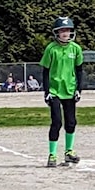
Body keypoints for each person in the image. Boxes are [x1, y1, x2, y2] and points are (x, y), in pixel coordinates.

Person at [40, 17, 84, 167]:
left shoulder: (75, 48)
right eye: (62, 30)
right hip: (55, 91)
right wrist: (46, 91)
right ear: (57, 33)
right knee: (57, 122)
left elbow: (79, 70)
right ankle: (52, 155)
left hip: (70, 90)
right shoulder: (51, 49)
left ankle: (68, 152)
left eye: (68, 30)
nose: (66, 33)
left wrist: (79, 89)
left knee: (71, 122)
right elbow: (45, 71)